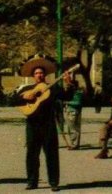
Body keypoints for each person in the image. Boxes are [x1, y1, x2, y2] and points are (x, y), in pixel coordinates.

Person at [14, 54, 73, 192]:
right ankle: (32, 182)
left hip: (48, 125)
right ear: (33, 75)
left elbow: (67, 96)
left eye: (41, 72)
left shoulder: (52, 88)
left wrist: (69, 83)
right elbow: (14, 101)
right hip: (32, 124)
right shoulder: (26, 88)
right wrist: (24, 97)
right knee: (32, 154)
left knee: (51, 154)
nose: (39, 75)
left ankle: (54, 182)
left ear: (45, 75)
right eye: (36, 73)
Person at [63, 80, 83, 149]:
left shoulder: (77, 93)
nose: (67, 87)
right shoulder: (72, 93)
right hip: (71, 111)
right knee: (72, 128)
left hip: (73, 111)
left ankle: (74, 144)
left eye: (69, 85)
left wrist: (67, 102)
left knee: (73, 128)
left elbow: (77, 103)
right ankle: (74, 143)